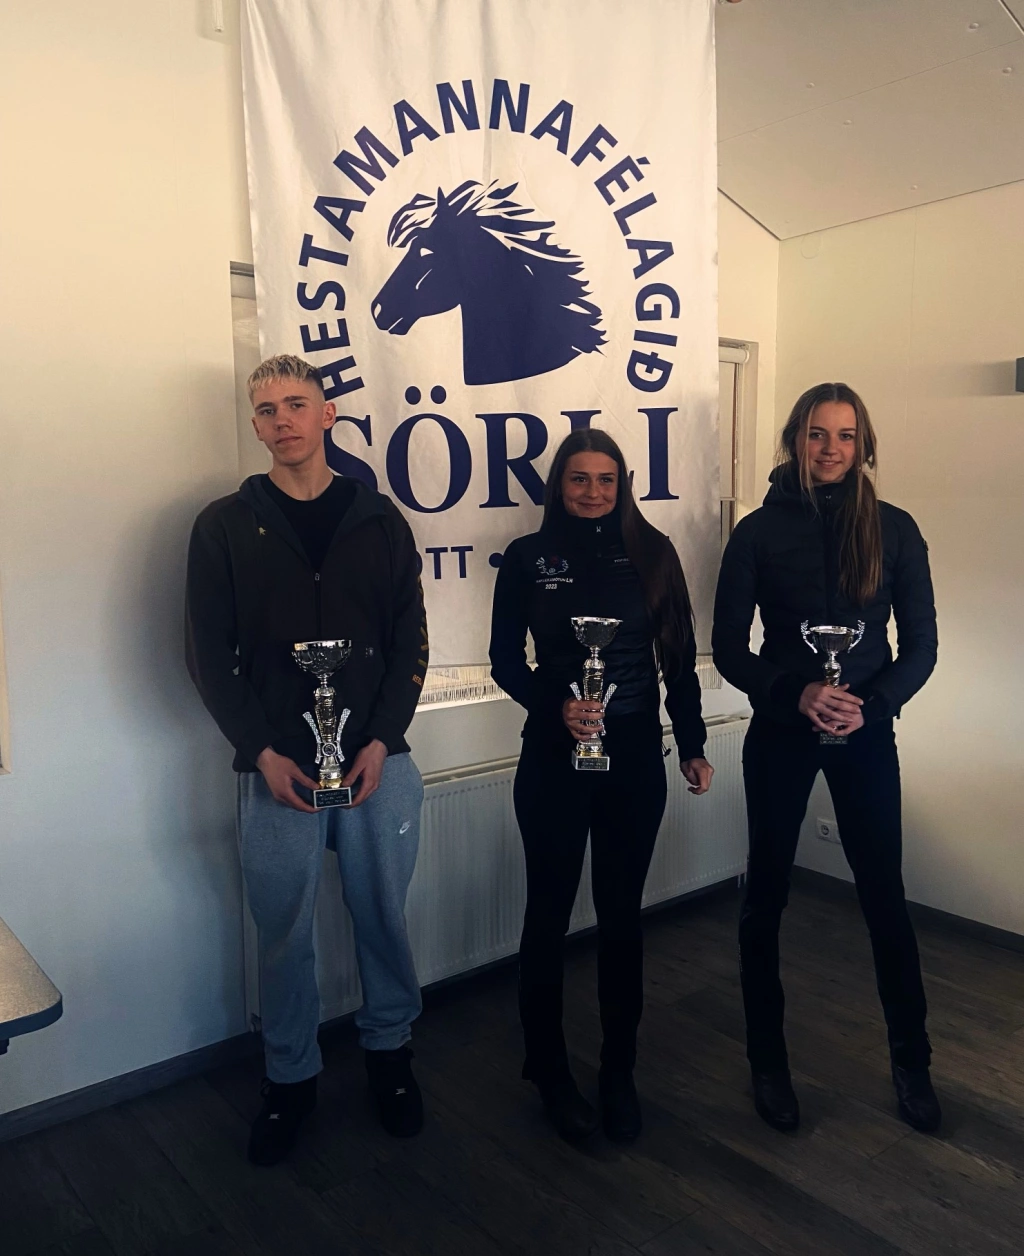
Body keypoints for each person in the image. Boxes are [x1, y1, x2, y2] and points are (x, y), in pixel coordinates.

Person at [185, 354, 428, 1165]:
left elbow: (411, 642)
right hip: (278, 771)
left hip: (378, 764)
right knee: (283, 931)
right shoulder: (224, 525)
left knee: (384, 916)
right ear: (255, 426)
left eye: (296, 404)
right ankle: (290, 1077)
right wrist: (258, 750)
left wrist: (381, 739)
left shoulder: (380, 519)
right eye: (266, 409)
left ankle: (390, 1055)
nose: (282, 419)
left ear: (327, 415)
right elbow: (206, 655)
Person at [713, 382, 940, 1135]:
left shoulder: (896, 530)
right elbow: (727, 649)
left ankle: (913, 1064)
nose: (831, 449)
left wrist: (872, 705)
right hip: (782, 730)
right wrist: (796, 692)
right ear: (795, 440)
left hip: (866, 733)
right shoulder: (755, 533)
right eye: (817, 434)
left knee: (884, 898)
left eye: (845, 435)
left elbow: (922, 647)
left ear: (863, 444)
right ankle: (767, 1064)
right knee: (765, 897)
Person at [489, 428, 713, 1144]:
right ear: (559, 484)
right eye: (579, 478)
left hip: (635, 757)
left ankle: (619, 1071)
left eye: (606, 479)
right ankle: (549, 1071)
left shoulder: (654, 551)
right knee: (547, 918)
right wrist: (554, 705)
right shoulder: (526, 558)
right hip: (552, 760)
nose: (592, 492)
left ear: (623, 486)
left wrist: (692, 743)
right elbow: (504, 660)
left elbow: (678, 654)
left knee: (622, 919)